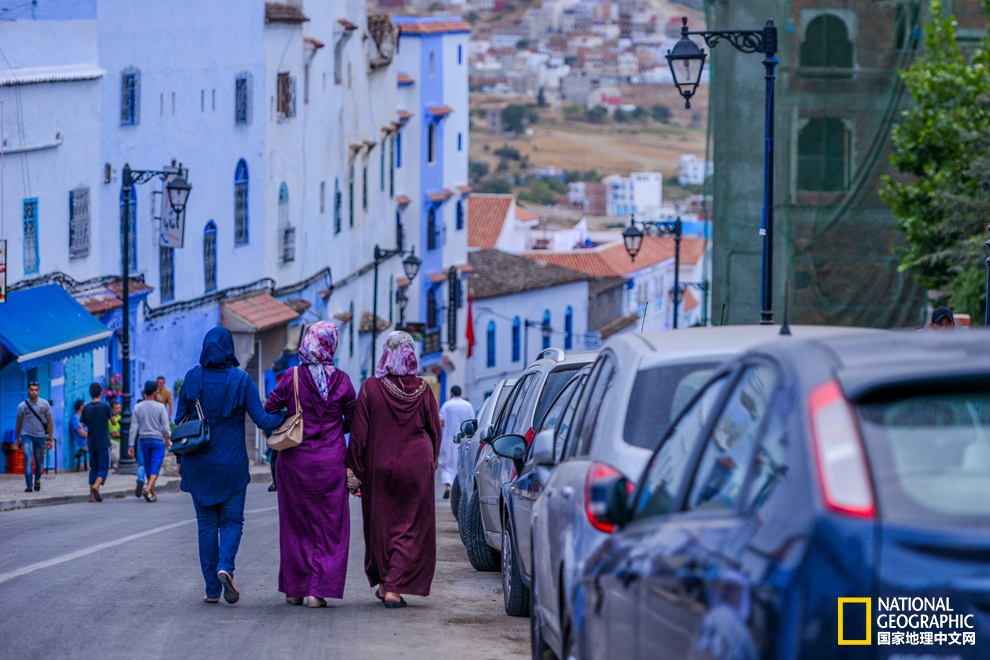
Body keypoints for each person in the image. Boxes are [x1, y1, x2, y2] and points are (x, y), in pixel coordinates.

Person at [175, 327, 284, 606]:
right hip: (232, 465)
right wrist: (288, 413)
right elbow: (263, 421)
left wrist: (180, 460)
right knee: (232, 521)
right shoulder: (242, 379)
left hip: (198, 464)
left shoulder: (191, 378)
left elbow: (180, 423)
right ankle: (226, 567)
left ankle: (212, 589)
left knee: (206, 525)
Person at [346, 331, 442, 608]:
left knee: (382, 525)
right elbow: (434, 430)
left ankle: (390, 585)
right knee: (411, 526)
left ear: (387, 353)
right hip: (416, 467)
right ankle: (393, 586)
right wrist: (432, 461)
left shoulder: (370, 388)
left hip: (380, 466)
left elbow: (359, 434)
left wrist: (355, 470)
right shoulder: (424, 388)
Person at [264, 322, 356, 608]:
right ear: (332, 345)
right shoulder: (342, 380)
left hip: (295, 463)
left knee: (295, 526)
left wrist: (292, 421)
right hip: (330, 462)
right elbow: (353, 419)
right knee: (329, 528)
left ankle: (295, 590)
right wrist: (329, 429)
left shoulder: (291, 377)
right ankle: (318, 592)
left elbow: (269, 408)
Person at [128, 380, 172, 502]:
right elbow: (165, 426)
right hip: (157, 440)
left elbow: (133, 428)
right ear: (154, 392)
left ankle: (153, 494)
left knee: (147, 466)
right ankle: (148, 489)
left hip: (143, 441)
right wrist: (168, 437)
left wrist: (131, 445)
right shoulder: (160, 407)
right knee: (155, 465)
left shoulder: (138, 406)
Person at [15, 382, 53, 493]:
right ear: (28, 390)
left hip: (40, 436)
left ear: (39, 391)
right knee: (28, 458)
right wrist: (18, 439)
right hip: (27, 435)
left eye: (36, 390)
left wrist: (50, 438)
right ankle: (29, 485)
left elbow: (49, 421)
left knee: (39, 460)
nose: (34, 392)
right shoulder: (22, 406)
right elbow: (19, 423)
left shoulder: (44, 404)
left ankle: (37, 480)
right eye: (31, 389)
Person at [438, 385, 474, 499]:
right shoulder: (468, 405)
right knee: (461, 463)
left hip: (448, 439)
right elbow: (472, 421)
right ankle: (459, 489)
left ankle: (448, 486)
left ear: (451, 393)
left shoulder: (446, 405)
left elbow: (441, 422)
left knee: (447, 464)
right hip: (463, 439)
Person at [80, 383, 113, 502]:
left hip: (91, 441)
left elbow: (83, 424)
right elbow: (113, 421)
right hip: (103, 441)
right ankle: (96, 486)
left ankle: (92, 496)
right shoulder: (105, 406)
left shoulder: (86, 408)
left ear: (90, 393)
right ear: (101, 393)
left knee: (93, 468)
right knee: (104, 467)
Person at [109, 399, 122, 469]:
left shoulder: (120, 417)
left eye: (119, 408)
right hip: (114, 440)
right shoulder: (111, 419)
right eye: (116, 408)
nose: (118, 410)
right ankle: (115, 462)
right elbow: (113, 434)